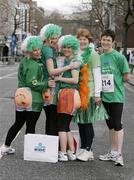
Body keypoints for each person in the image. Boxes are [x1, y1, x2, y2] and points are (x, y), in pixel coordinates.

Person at [0, 36, 54, 155]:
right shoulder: (34, 64)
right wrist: (47, 83)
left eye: (39, 49)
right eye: (34, 50)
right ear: (28, 50)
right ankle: (30, 151)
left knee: (18, 122)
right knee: (31, 125)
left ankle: (5, 146)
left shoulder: (24, 61)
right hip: (33, 97)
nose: (38, 52)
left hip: (20, 95)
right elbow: (33, 83)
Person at [73, 28, 108, 162]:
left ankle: (88, 149)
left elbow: (97, 74)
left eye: (84, 39)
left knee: (87, 121)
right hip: (79, 90)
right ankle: (83, 148)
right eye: (80, 39)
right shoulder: (77, 53)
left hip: (89, 90)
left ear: (89, 41)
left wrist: (97, 94)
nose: (82, 41)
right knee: (81, 122)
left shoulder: (93, 54)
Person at [40, 24, 79, 136]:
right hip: (50, 88)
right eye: (52, 37)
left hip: (47, 87)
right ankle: (53, 147)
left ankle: (52, 146)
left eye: (56, 37)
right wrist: (69, 67)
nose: (54, 40)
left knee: (51, 118)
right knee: (53, 118)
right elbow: (51, 71)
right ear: (46, 37)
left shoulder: (47, 49)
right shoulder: (48, 50)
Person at [99, 29, 130, 166]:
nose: (105, 42)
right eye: (103, 39)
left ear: (112, 42)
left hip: (116, 96)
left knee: (117, 124)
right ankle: (112, 152)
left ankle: (119, 155)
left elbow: (126, 76)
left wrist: (115, 83)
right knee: (110, 125)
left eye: (108, 40)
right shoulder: (100, 57)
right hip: (104, 97)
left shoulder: (119, 57)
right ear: (101, 40)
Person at [55, 35, 80, 161]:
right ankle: (71, 152)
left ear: (73, 48)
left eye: (69, 47)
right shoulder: (67, 60)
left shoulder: (73, 61)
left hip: (68, 94)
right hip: (70, 94)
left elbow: (75, 80)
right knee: (66, 125)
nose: (66, 49)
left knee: (61, 126)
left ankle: (63, 153)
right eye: (64, 47)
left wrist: (60, 78)